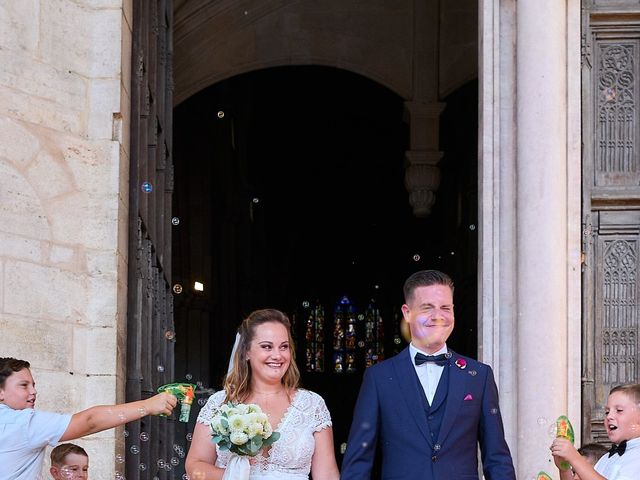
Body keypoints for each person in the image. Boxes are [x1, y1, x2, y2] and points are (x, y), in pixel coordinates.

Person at [341, 269, 516, 479]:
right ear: (407, 313)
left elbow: (497, 459)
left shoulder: (479, 376)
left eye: (445, 308)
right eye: (427, 308)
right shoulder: (378, 378)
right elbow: (358, 462)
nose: (438, 316)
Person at [185, 308, 340, 480]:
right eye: (267, 346)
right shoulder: (220, 403)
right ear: (246, 352)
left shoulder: (312, 404)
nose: (277, 355)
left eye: (284, 347)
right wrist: (234, 476)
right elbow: (195, 466)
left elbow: (327, 475)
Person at [0, 357, 177, 479]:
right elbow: (90, 421)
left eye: (33, 385)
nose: (33, 391)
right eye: (24, 385)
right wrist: (147, 406)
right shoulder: (23, 422)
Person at [551, 383, 640, 480]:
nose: (609, 416)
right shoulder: (605, 459)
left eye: (619, 410)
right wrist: (565, 469)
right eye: (607, 412)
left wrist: (575, 458)